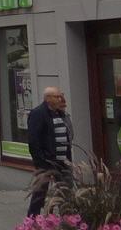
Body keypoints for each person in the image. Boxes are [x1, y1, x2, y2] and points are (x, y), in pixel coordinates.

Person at [27, 86, 73, 216]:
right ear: (48, 99)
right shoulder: (38, 114)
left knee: (65, 192)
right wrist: (41, 161)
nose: (61, 99)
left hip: (63, 162)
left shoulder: (60, 113)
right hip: (46, 162)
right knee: (40, 193)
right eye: (57, 96)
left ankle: (68, 219)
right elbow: (34, 141)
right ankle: (32, 220)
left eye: (60, 96)